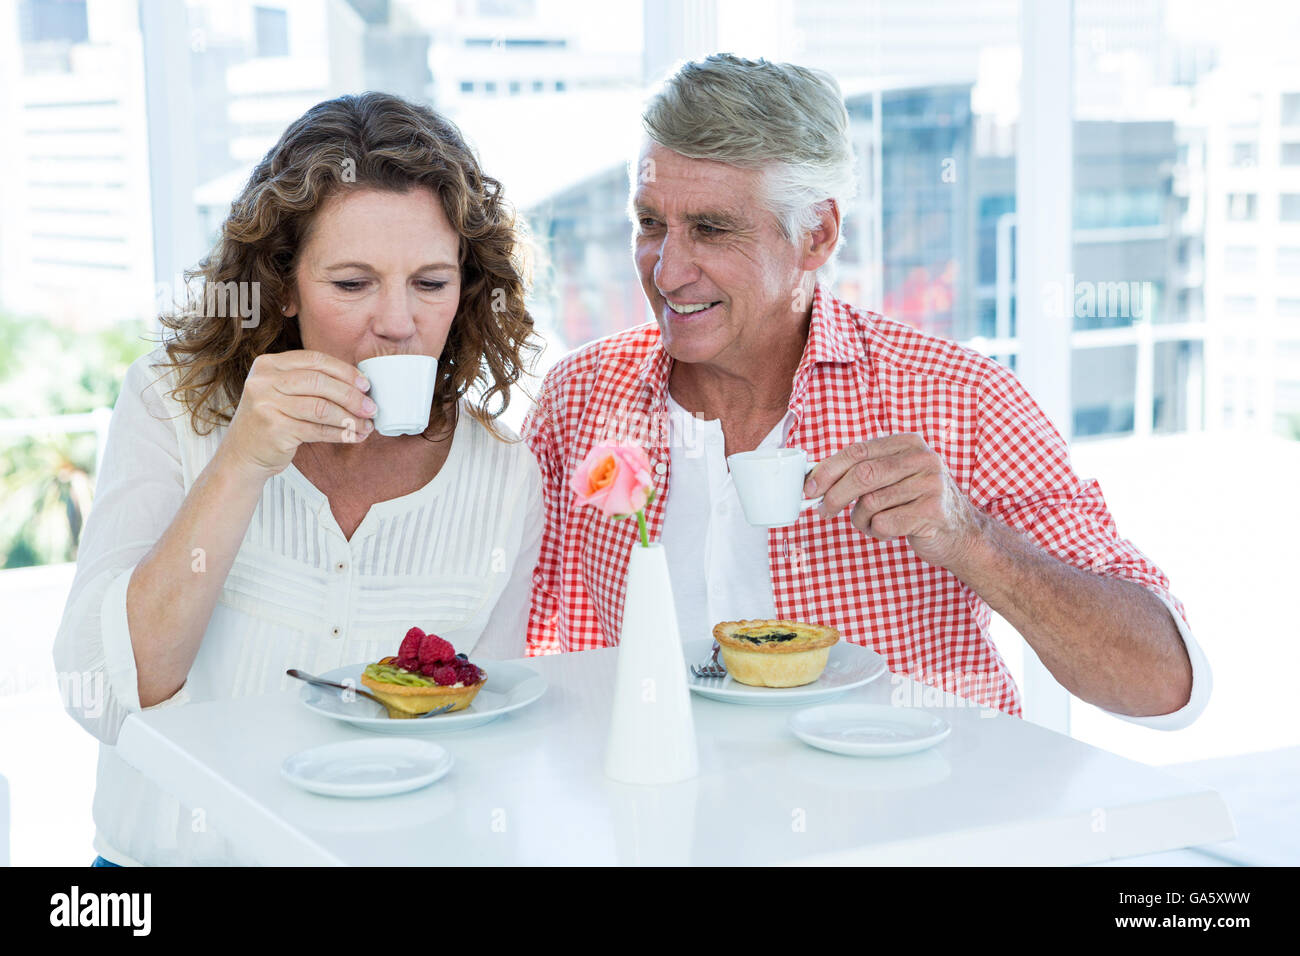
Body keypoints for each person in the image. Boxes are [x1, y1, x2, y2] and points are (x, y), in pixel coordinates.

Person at [523, 54, 1210, 728]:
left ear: (816, 234)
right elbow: (494, 639)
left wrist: (970, 537)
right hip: (665, 825)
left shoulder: (958, 399)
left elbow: (1163, 683)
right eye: (650, 224)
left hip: (910, 831)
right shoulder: (581, 396)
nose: (667, 272)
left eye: (711, 229)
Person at [54, 92, 543, 865]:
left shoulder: (506, 474)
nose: (396, 322)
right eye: (351, 284)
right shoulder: (170, 402)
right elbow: (109, 696)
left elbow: (486, 740)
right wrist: (244, 459)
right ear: (283, 284)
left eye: (430, 282)